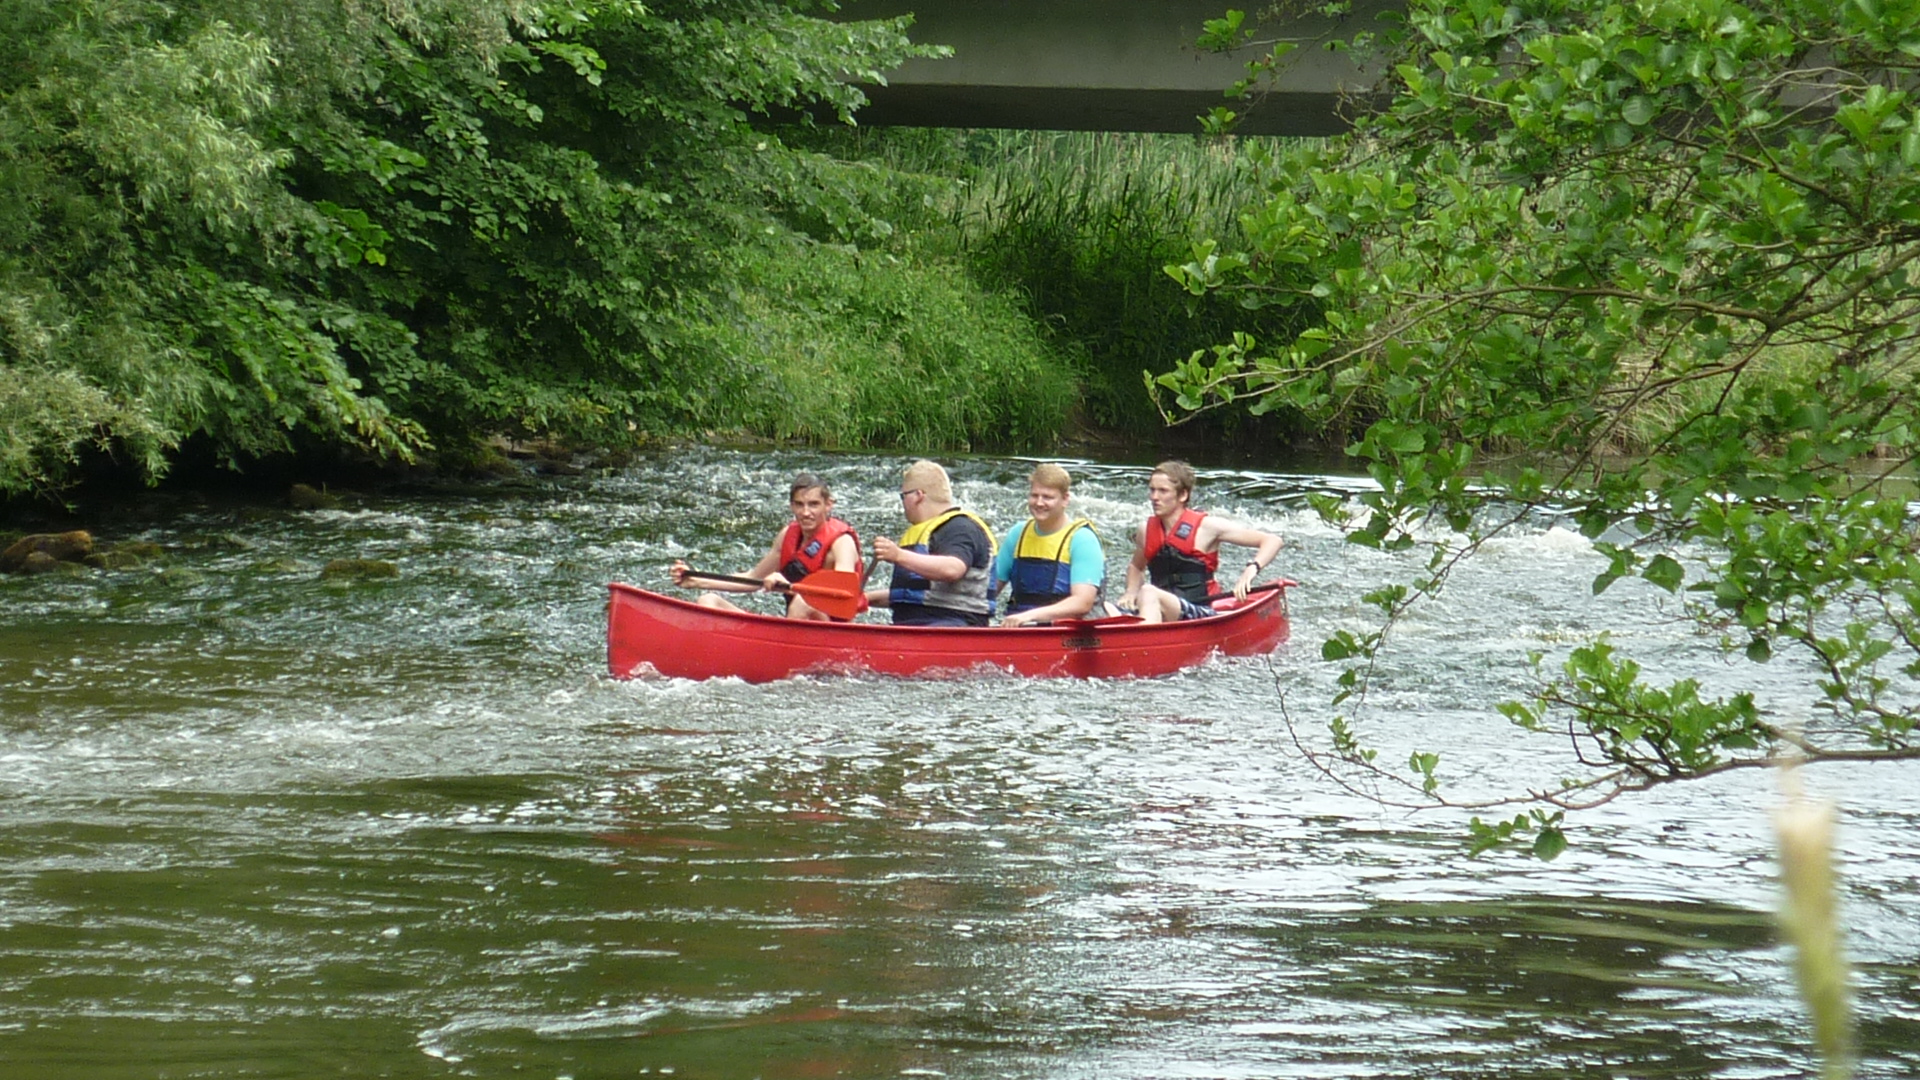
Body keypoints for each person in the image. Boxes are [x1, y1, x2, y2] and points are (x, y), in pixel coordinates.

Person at [670, 472, 862, 621]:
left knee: (802, 603)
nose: (805, 512)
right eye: (799, 505)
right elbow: (753, 578)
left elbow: (845, 595)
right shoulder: (788, 535)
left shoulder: (842, 542)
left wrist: (790, 587)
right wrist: (696, 579)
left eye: (813, 505)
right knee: (708, 601)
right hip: (793, 626)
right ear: (791, 506)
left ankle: (787, 664)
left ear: (828, 505)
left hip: (828, 630)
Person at [1119, 459, 1282, 624]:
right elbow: (1136, 567)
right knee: (1106, 607)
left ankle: (1144, 642)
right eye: (1152, 490)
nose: (1154, 497)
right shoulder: (1145, 530)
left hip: (1201, 610)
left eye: (1163, 491)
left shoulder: (1207, 527)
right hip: (1159, 608)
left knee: (1147, 591)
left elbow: (1272, 540)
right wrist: (1131, 592)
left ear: (1183, 495)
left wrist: (1251, 570)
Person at [865, 460, 997, 627]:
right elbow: (913, 593)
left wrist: (898, 555)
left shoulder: (960, 528)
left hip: (956, 626)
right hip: (917, 625)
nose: (902, 503)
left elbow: (952, 569)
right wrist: (866, 599)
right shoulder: (926, 532)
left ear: (918, 496)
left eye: (903, 496)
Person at [993, 463, 1105, 627]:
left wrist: (1029, 616)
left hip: (1064, 630)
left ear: (1065, 499)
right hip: (1018, 626)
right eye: (1034, 495)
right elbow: (991, 588)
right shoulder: (1018, 533)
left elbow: (1082, 603)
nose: (1039, 503)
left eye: (1047, 497)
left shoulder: (1083, 539)